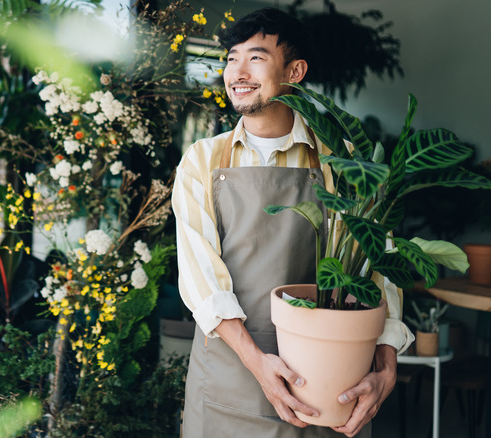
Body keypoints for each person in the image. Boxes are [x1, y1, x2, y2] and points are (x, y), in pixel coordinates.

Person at [172, 8, 414, 438]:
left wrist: (386, 368)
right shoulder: (203, 161)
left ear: (295, 70)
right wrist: (259, 365)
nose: (238, 72)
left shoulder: (341, 163)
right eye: (231, 58)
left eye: (256, 58)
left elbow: (378, 267)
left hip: (326, 386)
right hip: (230, 379)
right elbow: (201, 280)